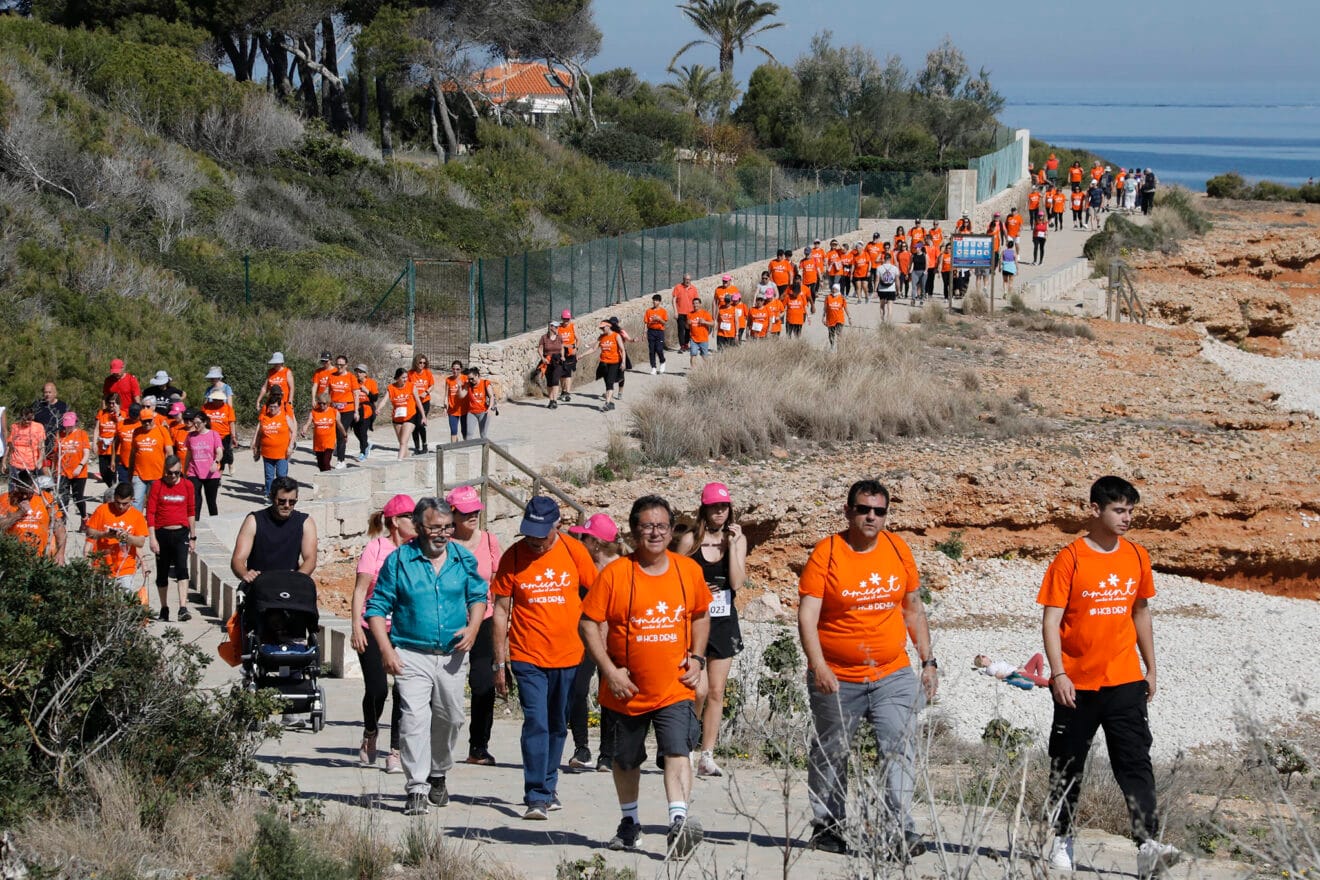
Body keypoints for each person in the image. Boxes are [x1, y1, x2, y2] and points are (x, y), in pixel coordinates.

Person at [1038, 476, 1181, 878]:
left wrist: (1151, 669)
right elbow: (1051, 621)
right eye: (1119, 510)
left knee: (1135, 763)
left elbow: (1140, 613)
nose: (1127, 518)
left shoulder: (1136, 555)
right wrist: (1059, 673)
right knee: (1067, 764)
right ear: (1095, 510)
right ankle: (1062, 839)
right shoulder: (1070, 558)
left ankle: (1147, 844)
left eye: (1131, 510)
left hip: (1124, 680)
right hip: (1076, 683)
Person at [797, 479, 938, 858]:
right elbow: (807, 616)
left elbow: (912, 608)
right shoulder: (827, 553)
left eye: (879, 511)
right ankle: (829, 826)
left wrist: (928, 660)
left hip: (892, 672)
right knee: (832, 750)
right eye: (863, 509)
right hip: (838, 676)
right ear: (848, 511)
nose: (871, 516)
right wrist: (819, 665)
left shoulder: (897, 549)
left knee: (898, 745)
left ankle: (899, 832)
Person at [579, 495, 711, 858]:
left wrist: (698, 658)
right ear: (634, 531)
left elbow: (700, 615)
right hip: (627, 690)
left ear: (671, 530)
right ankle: (629, 823)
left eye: (661, 526)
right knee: (625, 760)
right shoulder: (616, 574)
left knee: (677, 750)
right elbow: (589, 623)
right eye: (646, 526)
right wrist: (609, 671)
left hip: (674, 686)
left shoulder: (688, 571)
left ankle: (679, 822)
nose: (654, 532)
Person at [365, 497, 488, 816]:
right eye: (435, 527)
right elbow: (377, 608)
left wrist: (473, 628)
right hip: (410, 652)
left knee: (451, 718)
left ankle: (438, 772)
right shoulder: (400, 560)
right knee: (414, 719)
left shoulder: (462, 558)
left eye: (448, 527)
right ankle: (417, 787)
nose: (443, 533)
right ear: (419, 527)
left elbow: (478, 597)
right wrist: (386, 649)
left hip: (452, 654)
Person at [492, 496, 597, 819]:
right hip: (527, 656)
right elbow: (500, 611)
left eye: (542, 533)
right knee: (536, 721)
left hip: (568, 655)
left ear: (558, 526)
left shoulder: (574, 551)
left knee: (556, 725)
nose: (535, 541)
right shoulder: (513, 557)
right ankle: (536, 793)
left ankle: (550, 786)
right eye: (530, 533)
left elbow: (597, 595)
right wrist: (500, 662)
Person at [673, 482, 746, 779]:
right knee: (697, 689)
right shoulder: (689, 540)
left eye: (724, 507)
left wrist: (734, 547)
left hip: (725, 620)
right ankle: (686, 746)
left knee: (716, 691)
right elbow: (674, 580)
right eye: (715, 506)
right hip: (695, 623)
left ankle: (707, 754)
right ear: (704, 508)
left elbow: (738, 583)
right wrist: (698, 589)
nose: (720, 512)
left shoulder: (736, 540)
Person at [350, 493, 416, 775]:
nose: (415, 521)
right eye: (409, 517)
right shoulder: (376, 548)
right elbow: (360, 590)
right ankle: (370, 731)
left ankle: (396, 751)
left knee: (404, 691)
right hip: (372, 629)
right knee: (377, 689)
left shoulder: (417, 551)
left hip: (404, 631)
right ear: (394, 521)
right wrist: (355, 626)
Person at [444, 485, 503, 766]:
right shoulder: (443, 544)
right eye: (466, 512)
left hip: (485, 619)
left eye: (476, 511)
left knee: (482, 685)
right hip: (450, 621)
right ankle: (440, 743)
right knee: (443, 687)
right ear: (452, 514)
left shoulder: (490, 541)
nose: (473, 516)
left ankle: (479, 746)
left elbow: (500, 586)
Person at [565, 513, 624, 773]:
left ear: (597, 542)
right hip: (584, 638)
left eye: (584, 537)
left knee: (609, 695)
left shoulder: (622, 569)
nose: (580, 540)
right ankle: (581, 748)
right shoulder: (580, 565)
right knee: (576, 690)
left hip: (614, 640)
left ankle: (607, 755)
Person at [230, 476, 318, 582]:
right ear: (272, 497)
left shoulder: (305, 522)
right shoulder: (254, 521)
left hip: (290, 584)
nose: (287, 505)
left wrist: (296, 579)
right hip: (259, 584)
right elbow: (238, 560)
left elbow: (310, 559)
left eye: (292, 502)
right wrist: (245, 574)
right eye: (281, 501)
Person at [146, 455, 195, 622]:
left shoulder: (187, 485)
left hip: (181, 533)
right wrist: (152, 538)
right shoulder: (157, 486)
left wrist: (193, 536)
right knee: (162, 573)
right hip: (162, 534)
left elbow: (191, 511)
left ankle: (182, 607)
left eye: (176, 473)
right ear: (164, 471)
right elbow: (150, 513)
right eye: (169, 473)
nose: (172, 476)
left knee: (182, 569)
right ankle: (164, 607)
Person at [84, 482, 149, 598]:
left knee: (123, 603)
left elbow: (141, 542)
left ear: (132, 500)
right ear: (114, 498)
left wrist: (127, 537)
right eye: (117, 502)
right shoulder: (102, 510)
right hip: (101, 566)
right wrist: (104, 534)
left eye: (125, 504)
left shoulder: (137, 516)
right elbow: (89, 532)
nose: (120, 507)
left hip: (125, 568)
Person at [128, 403, 175, 511]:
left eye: (149, 420)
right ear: (140, 420)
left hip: (158, 473)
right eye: (144, 421)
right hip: (139, 473)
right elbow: (133, 453)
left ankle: (153, 525)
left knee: (154, 503)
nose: (147, 423)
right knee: (136, 502)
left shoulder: (162, 431)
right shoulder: (137, 432)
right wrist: (130, 472)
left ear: (153, 419)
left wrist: (169, 471)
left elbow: (170, 452)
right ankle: (137, 525)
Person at [0, 475, 58, 559]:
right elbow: (1, 525)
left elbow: (58, 526)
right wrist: (19, 513)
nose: (24, 497)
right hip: (13, 554)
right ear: (16, 487)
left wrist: (60, 552)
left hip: (39, 554)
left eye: (28, 493)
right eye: (22, 492)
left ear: (34, 487)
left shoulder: (46, 499)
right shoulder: (5, 499)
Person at [52, 411, 91, 526]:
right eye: (66, 424)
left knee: (77, 497)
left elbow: (86, 453)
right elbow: (56, 454)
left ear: (75, 423)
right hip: (63, 471)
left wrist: (80, 466)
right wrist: (55, 470)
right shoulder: (59, 435)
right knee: (63, 498)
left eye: (70, 424)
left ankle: (84, 518)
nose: (68, 427)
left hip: (79, 472)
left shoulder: (82, 434)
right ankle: (62, 522)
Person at [253, 394, 297, 497]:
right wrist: (256, 447)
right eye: (270, 406)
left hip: (282, 453)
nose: (272, 409)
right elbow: (259, 434)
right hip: (267, 453)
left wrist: (290, 446)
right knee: (269, 476)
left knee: (281, 475)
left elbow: (294, 431)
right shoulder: (264, 418)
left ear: (279, 406)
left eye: (275, 407)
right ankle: (269, 495)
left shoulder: (285, 417)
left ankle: (281, 495)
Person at [184, 410, 223, 518]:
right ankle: (195, 524)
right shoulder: (190, 436)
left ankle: (215, 522)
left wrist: (216, 462)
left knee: (211, 501)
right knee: (195, 500)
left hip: (211, 473)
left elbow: (219, 452)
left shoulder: (214, 434)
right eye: (194, 423)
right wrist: (184, 469)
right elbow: (189, 454)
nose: (195, 425)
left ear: (205, 422)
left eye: (198, 423)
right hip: (194, 472)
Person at [327, 355, 361, 468]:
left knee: (341, 433)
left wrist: (356, 411)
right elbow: (327, 393)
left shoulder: (351, 377)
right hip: (334, 409)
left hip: (348, 409)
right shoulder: (331, 376)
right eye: (338, 365)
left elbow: (356, 394)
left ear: (346, 365)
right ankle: (337, 452)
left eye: (342, 365)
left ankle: (341, 460)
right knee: (335, 432)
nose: (339, 367)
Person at [301, 393, 343, 472]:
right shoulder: (314, 412)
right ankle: (323, 480)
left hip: (329, 442)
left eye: (324, 403)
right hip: (318, 443)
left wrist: (344, 435)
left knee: (326, 462)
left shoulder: (334, 412)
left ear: (328, 403)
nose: (321, 405)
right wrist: (304, 429)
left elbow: (339, 424)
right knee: (320, 464)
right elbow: (308, 423)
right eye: (319, 403)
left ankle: (328, 479)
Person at [201, 388, 238, 477]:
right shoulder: (206, 407)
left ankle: (218, 475)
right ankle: (209, 472)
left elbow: (231, 423)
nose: (216, 401)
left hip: (224, 436)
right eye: (215, 400)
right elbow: (201, 420)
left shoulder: (228, 409)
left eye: (219, 400)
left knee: (224, 455)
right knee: (210, 455)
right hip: (209, 435)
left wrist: (233, 436)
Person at [388, 368, 424, 460]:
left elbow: (418, 401)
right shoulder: (391, 387)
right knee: (402, 443)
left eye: (406, 377)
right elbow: (384, 399)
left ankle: (398, 460)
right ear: (398, 378)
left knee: (403, 442)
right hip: (397, 418)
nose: (405, 379)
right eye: (403, 377)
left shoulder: (411, 386)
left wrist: (423, 416)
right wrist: (378, 409)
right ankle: (407, 459)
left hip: (410, 416)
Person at [5, 406, 46, 483]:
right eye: (25, 419)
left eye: (29, 419)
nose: (27, 421)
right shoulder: (15, 427)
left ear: (33, 417)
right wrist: (4, 461)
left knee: (33, 488)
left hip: (32, 463)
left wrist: (40, 460)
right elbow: (9, 445)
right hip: (16, 463)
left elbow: (42, 446)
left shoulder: (39, 427)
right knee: (14, 489)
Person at [593, 321, 625, 413]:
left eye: (603, 328)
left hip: (614, 363)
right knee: (607, 384)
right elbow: (594, 349)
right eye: (601, 328)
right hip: (604, 364)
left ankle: (606, 403)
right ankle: (611, 403)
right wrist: (581, 355)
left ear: (609, 326)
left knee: (610, 382)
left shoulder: (616, 336)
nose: (602, 329)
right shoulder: (601, 337)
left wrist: (623, 362)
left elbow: (622, 350)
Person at [407, 354, 435, 455]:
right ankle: (417, 447)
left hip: (424, 401)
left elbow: (432, 385)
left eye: (424, 363)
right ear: (416, 362)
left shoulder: (427, 373)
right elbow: (407, 386)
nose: (422, 364)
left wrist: (426, 392)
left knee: (420, 423)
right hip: (413, 402)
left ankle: (424, 445)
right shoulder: (410, 373)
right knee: (414, 425)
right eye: (420, 362)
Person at [973, 653, 1049, 690]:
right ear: (982, 663)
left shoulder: (994, 664)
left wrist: (1018, 667)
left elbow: (1007, 668)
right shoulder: (990, 668)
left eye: (984, 655)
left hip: (1021, 671)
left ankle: (1039, 678)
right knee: (1048, 683)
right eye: (983, 657)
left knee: (1038, 656)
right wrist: (1016, 671)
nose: (985, 656)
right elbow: (1000, 676)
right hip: (1018, 674)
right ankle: (1043, 682)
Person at [94, 396, 120, 486]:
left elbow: (122, 426)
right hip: (103, 447)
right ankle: (111, 487)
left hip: (115, 448)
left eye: (114, 403)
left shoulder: (122, 414)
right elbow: (97, 428)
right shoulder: (101, 413)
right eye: (110, 403)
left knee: (113, 471)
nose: (111, 405)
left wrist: (117, 413)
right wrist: (94, 443)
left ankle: (114, 490)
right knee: (103, 472)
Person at [353, 364, 378, 461]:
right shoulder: (354, 382)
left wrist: (367, 391)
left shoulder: (371, 382)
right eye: (357, 371)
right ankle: (366, 444)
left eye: (360, 372)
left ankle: (363, 452)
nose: (358, 374)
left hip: (367, 410)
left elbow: (375, 398)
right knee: (356, 430)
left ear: (365, 374)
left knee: (363, 431)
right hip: (356, 409)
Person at [538, 323, 566, 409]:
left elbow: (562, 348)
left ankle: (555, 401)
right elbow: (540, 349)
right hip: (547, 360)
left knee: (555, 380)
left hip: (557, 360)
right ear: (551, 327)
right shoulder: (544, 337)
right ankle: (551, 400)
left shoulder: (559, 337)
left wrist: (562, 356)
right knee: (549, 381)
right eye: (556, 327)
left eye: (558, 327)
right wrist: (542, 358)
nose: (557, 328)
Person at [464, 367, 496, 437]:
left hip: (484, 412)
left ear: (477, 375)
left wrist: (490, 408)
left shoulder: (485, 383)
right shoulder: (469, 384)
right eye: (469, 379)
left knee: (483, 434)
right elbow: (462, 395)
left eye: (472, 378)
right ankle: (469, 448)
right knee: (469, 433)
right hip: (471, 412)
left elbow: (491, 396)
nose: (470, 380)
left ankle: (485, 448)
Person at [443, 360, 469, 442]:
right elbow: (446, 394)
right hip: (452, 409)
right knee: (453, 431)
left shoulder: (465, 379)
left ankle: (466, 446)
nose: (455, 371)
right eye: (453, 369)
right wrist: (445, 408)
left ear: (461, 369)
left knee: (464, 431)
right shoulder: (448, 380)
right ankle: (453, 449)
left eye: (457, 369)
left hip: (464, 409)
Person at [556, 312, 579, 403]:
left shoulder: (573, 326)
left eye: (568, 319)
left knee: (568, 372)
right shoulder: (558, 327)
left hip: (571, 351)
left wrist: (576, 348)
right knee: (562, 373)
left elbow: (578, 339)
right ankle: (563, 391)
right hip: (561, 351)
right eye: (564, 319)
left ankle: (567, 392)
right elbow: (556, 340)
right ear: (561, 318)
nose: (566, 321)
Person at [671, 274, 698, 354]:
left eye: (689, 279)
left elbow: (696, 301)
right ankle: (682, 345)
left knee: (688, 329)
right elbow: (673, 299)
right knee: (680, 329)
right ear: (683, 279)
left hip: (690, 313)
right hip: (680, 312)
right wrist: (675, 311)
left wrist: (697, 311)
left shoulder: (693, 289)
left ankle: (686, 344)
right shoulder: (678, 287)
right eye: (686, 279)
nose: (687, 281)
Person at [644, 295, 669, 375]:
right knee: (652, 351)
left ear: (659, 302)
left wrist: (659, 319)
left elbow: (664, 322)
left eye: (656, 300)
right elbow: (646, 322)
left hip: (659, 332)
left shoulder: (663, 311)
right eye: (654, 300)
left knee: (659, 349)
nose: (654, 302)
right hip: (651, 331)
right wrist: (644, 333)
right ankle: (653, 367)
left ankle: (662, 361)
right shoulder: (648, 311)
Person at [687, 297, 713, 367]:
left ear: (700, 304)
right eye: (694, 303)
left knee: (704, 356)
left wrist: (704, 322)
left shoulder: (705, 313)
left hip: (703, 339)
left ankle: (708, 370)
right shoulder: (689, 314)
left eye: (697, 303)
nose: (695, 305)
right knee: (693, 355)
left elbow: (713, 324)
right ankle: (694, 371)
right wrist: (687, 323)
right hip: (693, 339)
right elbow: (687, 327)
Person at [823, 283, 848, 349]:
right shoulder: (828, 297)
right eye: (833, 289)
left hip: (839, 319)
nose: (834, 290)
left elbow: (845, 308)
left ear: (838, 290)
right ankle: (832, 346)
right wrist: (823, 317)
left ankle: (839, 348)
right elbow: (825, 308)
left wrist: (849, 317)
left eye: (835, 289)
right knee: (831, 334)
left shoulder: (842, 298)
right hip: (830, 319)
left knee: (839, 333)